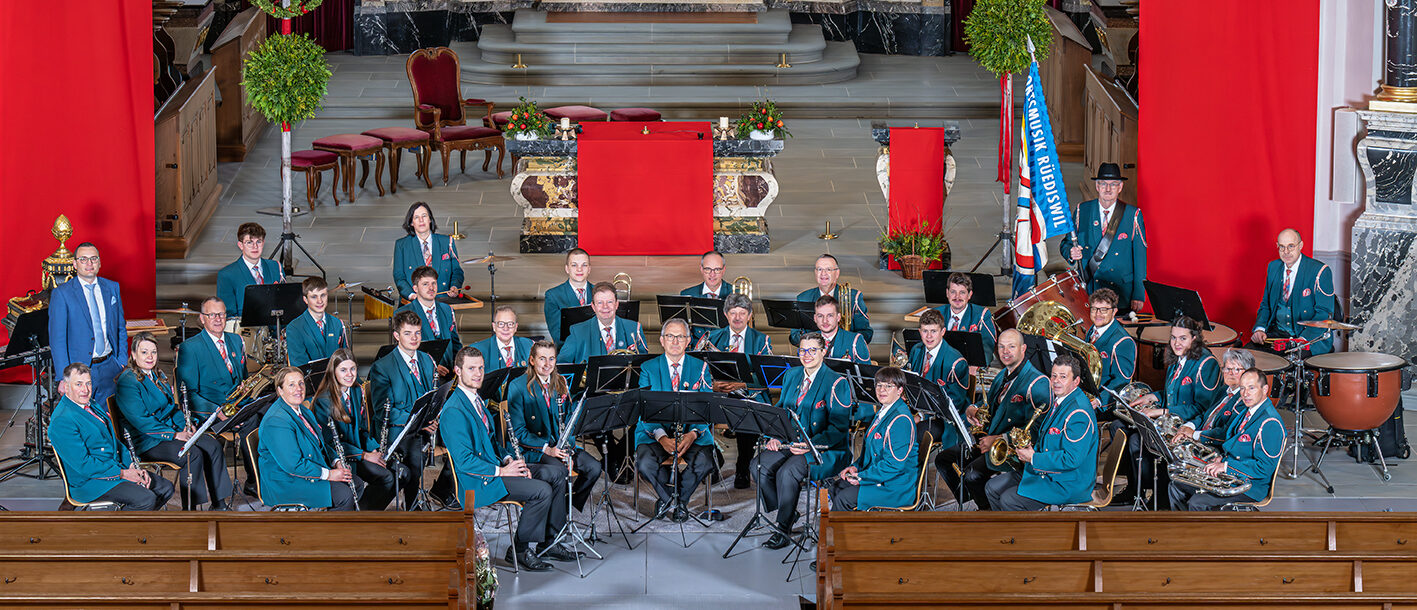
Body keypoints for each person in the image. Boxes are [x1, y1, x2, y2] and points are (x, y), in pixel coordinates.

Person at [441, 346, 575, 571]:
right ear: (457, 371)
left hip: (496, 468)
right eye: (471, 368)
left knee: (557, 473)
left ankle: (549, 542)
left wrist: (509, 461)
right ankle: (519, 550)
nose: (478, 374)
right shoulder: (454, 410)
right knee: (541, 490)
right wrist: (503, 471)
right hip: (478, 480)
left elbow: (493, 443)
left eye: (481, 368)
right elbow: (464, 462)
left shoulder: (476, 400)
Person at [752, 331, 852, 548]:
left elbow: (839, 429)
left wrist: (810, 445)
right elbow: (781, 411)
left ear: (823, 352)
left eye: (812, 350)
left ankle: (783, 527)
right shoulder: (791, 375)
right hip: (791, 441)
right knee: (758, 465)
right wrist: (774, 436)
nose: (807, 355)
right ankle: (788, 511)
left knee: (787, 472)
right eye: (802, 350)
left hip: (824, 448)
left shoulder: (837, 382)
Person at [115, 332, 232, 510]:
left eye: (153, 352)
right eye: (144, 352)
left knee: (213, 445)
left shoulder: (158, 375)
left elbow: (171, 408)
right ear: (133, 355)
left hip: (169, 430)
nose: (149, 357)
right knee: (192, 454)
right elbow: (141, 422)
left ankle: (219, 504)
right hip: (147, 440)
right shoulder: (128, 381)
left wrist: (187, 425)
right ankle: (190, 509)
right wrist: (175, 434)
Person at [936, 329, 1049, 510]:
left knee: (972, 474)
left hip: (1012, 450)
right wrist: (973, 408)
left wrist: (998, 439)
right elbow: (990, 403)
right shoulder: (1003, 374)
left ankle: (988, 512)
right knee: (943, 459)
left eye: (1011, 347)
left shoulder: (1038, 382)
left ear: (1023, 349)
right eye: (1001, 347)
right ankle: (975, 500)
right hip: (988, 439)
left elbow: (1038, 429)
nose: (1005, 352)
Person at [1120, 316, 1220, 508]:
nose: (1176, 343)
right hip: (1171, 423)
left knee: (1146, 444)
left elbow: (1203, 408)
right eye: (1173, 338)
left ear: (1194, 338)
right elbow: (1172, 393)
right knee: (1133, 438)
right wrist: (1152, 397)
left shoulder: (1206, 363)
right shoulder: (1177, 358)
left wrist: (1161, 411)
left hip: (1189, 428)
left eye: (1183, 338)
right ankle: (1140, 493)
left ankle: (1159, 500)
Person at [50, 363, 175, 510]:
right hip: (91, 482)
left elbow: (113, 442)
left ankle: (137, 522)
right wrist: (123, 474)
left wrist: (131, 465)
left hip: (114, 467)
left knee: (165, 488)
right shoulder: (62, 420)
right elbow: (84, 465)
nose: (85, 390)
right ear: (66, 387)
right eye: (78, 384)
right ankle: (120, 525)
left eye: (88, 383)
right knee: (146, 499)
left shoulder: (90, 403)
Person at [985, 354, 1099, 511]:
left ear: (1076, 381)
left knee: (1009, 500)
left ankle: (1021, 528)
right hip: (1047, 471)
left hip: (1067, 483)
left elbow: (1071, 459)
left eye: (1063, 377)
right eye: (1054, 376)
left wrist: (1033, 458)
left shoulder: (1078, 413)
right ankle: (1005, 526)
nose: (1056, 381)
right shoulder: (1061, 399)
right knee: (991, 487)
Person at [369, 310, 455, 508]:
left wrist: (435, 417)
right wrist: (419, 422)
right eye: (407, 333)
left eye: (417, 333)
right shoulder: (382, 367)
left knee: (461, 435)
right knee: (415, 454)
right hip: (397, 430)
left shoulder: (427, 360)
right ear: (396, 335)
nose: (414, 338)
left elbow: (433, 397)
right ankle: (413, 506)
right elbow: (383, 411)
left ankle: (444, 490)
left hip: (424, 425)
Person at [507, 340, 603, 512]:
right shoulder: (517, 386)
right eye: (542, 359)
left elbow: (568, 420)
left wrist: (569, 448)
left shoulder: (560, 382)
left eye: (551, 359)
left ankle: (565, 506)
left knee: (594, 467)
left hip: (560, 445)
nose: (547, 364)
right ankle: (556, 514)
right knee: (560, 471)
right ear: (532, 360)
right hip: (536, 448)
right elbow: (518, 432)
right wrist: (547, 449)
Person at [1168, 368, 1284, 510]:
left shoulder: (1270, 423)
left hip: (1250, 486)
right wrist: (1221, 459)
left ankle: (1199, 524)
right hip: (1231, 475)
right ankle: (1183, 524)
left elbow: (1264, 468)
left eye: (1251, 388)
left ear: (1265, 389)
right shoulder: (1247, 411)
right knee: (1176, 485)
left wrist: (1226, 466)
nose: (1245, 394)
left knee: (1198, 502)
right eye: (1242, 388)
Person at [634, 318, 715, 522]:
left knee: (705, 461)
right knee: (645, 463)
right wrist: (662, 438)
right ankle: (674, 501)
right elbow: (644, 409)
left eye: (680, 337)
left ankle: (675, 501)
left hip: (691, 432)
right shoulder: (648, 368)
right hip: (655, 432)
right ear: (662, 340)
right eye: (670, 336)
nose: (675, 341)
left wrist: (693, 434)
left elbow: (707, 407)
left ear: (688, 341)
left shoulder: (701, 367)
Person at [694, 293, 773, 488]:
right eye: (733, 313)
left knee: (747, 412)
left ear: (750, 315)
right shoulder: (713, 337)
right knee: (695, 410)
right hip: (719, 392)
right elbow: (698, 369)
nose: (737, 318)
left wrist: (743, 385)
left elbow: (767, 377)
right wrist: (713, 385)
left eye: (742, 313)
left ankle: (743, 466)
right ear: (725, 314)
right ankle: (714, 461)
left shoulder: (761, 340)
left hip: (748, 394)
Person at [256, 367, 356, 510]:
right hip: (288, 482)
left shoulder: (303, 410)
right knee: (344, 495)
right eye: (291, 385)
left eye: (301, 383)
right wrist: (329, 474)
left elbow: (320, 443)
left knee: (356, 483)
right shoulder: (276, 421)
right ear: (280, 390)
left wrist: (336, 461)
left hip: (306, 471)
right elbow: (293, 465)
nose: (298, 389)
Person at [310, 349, 399, 511]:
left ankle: (364, 512)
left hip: (358, 451)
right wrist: (364, 455)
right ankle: (360, 513)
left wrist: (374, 449)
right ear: (333, 372)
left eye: (353, 369)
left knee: (396, 474)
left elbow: (362, 429)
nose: (349, 374)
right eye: (343, 370)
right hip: (342, 458)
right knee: (386, 478)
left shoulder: (356, 390)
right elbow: (329, 444)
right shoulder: (324, 400)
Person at [49, 242, 127, 407]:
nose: (89, 263)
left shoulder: (112, 288)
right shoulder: (62, 294)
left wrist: (121, 361)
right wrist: (64, 377)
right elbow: (58, 339)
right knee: (83, 417)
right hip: (78, 370)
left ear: (99, 262)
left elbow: (120, 327)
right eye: (83, 259)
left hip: (109, 366)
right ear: (75, 264)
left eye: (93, 259)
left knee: (110, 415)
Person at [1061, 163, 1147, 313]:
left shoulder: (1132, 215)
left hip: (1121, 292)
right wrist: (1071, 252)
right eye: (1103, 184)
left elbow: (1140, 259)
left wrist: (1139, 295)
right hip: (1091, 289)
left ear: (1120, 187)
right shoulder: (1083, 210)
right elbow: (1066, 243)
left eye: (1113, 184)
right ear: (1097, 186)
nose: (1108, 189)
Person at [830, 366, 917, 511]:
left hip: (893, 487)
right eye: (879, 385)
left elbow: (893, 466)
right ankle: (853, 524)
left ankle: (842, 526)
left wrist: (861, 477)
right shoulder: (884, 410)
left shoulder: (901, 419)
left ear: (900, 390)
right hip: (880, 476)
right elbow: (870, 453)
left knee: (843, 498)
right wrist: (856, 467)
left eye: (888, 386)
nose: (882, 390)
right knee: (836, 487)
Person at [1250, 228, 1337, 356]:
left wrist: (1303, 340)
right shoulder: (1273, 267)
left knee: (1285, 362)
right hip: (1278, 334)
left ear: (1300, 245)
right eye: (1282, 247)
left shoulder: (1320, 271)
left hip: (1309, 337)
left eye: (1291, 246)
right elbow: (1266, 305)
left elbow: (1324, 313)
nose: (1286, 252)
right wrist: (1260, 329)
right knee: (1246, 356)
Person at [175, 298, 247, 421]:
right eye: (212, 315)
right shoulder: (189, 348)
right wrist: (216, 412)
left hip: (239, 406)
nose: (218, 319)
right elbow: (187, 395)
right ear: (202, 318)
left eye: (221, 314)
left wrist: (245, 389)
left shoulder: (237, 340)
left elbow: (243, 378)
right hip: (213, 414)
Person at [1172, 348, 1254, 446]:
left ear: (1248, 373)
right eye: (1227, 368)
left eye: (1236, 369)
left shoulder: (1246, 399)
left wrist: (1194, 434)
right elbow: (1205, 416)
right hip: (1198, 439)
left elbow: (1226, 433)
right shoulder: (1224, 390)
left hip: (1214, 447)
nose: (1230, 373)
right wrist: (1187, 427)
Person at [558, 282, 649, 364]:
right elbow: (562, 364)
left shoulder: (634, 328)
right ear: (593, 306)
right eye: (600, 302)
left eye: (609, 302)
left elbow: (644, 363)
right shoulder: (578, 331)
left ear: (616, 304)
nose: (605, 307)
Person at [791, 254, 872, 344]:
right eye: (819, 269)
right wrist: (816, 341)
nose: (823, 273)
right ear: (815, 272)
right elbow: (794, 336)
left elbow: (866, 333)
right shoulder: (803, 298)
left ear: (837, 273)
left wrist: (845, 341)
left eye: (828, 269)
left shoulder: (853, 297)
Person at [393, 202, 463, 300]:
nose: (421, 220)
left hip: (443, 301)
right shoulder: (402, 245)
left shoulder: (447, 242)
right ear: (411, 223)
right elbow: (399, 277)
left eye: (424, 216)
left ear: (430, 219)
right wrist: (411, 295)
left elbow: (457, 271)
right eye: (416, 217)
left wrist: (455, 286)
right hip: (414, 302)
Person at [394, 265, 461, 370]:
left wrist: (459, 366)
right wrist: (432, 366)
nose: (431, 288)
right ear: (415, 288)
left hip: (449, 372)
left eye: (434, 283)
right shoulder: (402, 313)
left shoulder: (447, 309)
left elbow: (456, 344)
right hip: (421, 372)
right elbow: (403, 352)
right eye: (425, 284)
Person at [216, 222, 284, 323]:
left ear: (263, 243)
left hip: (276, 327)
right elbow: (228, 315)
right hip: (246, 330)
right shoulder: (227, 275)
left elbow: (284, 302)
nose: (255, 247)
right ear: (240, 245)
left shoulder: (275, 266)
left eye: (258, 242)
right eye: (249, 242)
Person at [931, 272, 998, 370]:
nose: (957, 297)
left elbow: (987, 346)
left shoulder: (981, 315)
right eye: (953, 292)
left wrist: (976, 365)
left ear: (969, 295)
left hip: (969, 367)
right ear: (947, 293)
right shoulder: (936, 313)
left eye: (962, 292)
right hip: (941, 367)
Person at [1084, 288, 1137, 410]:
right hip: (1087, 393)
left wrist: (1099, 401)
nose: (1098, 314)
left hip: (1103, 404)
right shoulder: (1092, 331)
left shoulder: (1123, 342)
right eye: (1094, 309)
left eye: (1104, 310)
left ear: (1114, 311)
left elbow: (1122, 381)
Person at [284, 276, 347, 368]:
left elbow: (345, 359)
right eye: (314, 297)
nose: (320, 301)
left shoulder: (337, 323)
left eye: (323, 295)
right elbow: (300, 366)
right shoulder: (294, 328)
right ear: (305, 300)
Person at [543, 248, 592, 346]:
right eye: (574, 265)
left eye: (584, 265)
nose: (579, 269)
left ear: (589, 269)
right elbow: (558, 336)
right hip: (569, 351)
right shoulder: (553, 296)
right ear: (567, 269)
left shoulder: (599, 292)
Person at [471, 306, 534, 373]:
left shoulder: (528, 345)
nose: (505, 328)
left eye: (510, 324)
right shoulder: (478, 350)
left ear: (516, 327)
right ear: (494, 326)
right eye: (501, 324)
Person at [811, 295, 869, 364]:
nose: (825, 321)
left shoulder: (856, 340)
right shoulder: (807, 340)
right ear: (815, 318)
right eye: (820, 316)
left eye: (830, 315)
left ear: (838, 317)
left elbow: (865, 370)